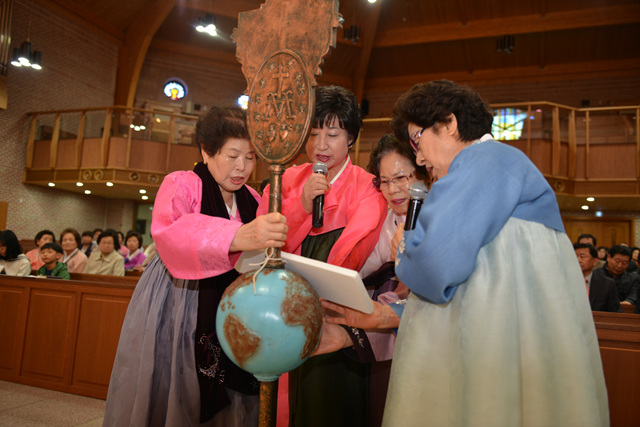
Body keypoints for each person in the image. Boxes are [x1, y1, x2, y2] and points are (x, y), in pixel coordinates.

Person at [321, 80, 608, 426]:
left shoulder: (479, 162)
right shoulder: (503, 163)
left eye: (417, 140)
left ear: (449, 124)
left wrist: (405, 250)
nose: (420, 157)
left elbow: (433, 271)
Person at [103, 105, 288, 427]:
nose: (242, 167)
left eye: (250, 158)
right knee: (181, 377)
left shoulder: (252, 197)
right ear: (206, 151)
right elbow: (170, 232)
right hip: (182, 296)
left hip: (236, 301)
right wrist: (236, 236)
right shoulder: (182, 183)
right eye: (232, 156)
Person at [258, 85, 387, 427]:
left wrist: (316, 301)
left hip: (335, 312)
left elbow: (354, 250)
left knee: (328, 403)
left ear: (351, 138)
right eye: (313, 134)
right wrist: (301, 205)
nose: (321, 146)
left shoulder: (368, 187)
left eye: (332, 134)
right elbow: (261, 244)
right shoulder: (284, 180)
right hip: (283, 307)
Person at [574, 243, 620, 312]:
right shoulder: (562, 282)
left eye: (582, 257)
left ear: (594, 261)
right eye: (574, 256)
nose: (578, 260)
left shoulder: (607, 284)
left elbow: (615, 312)